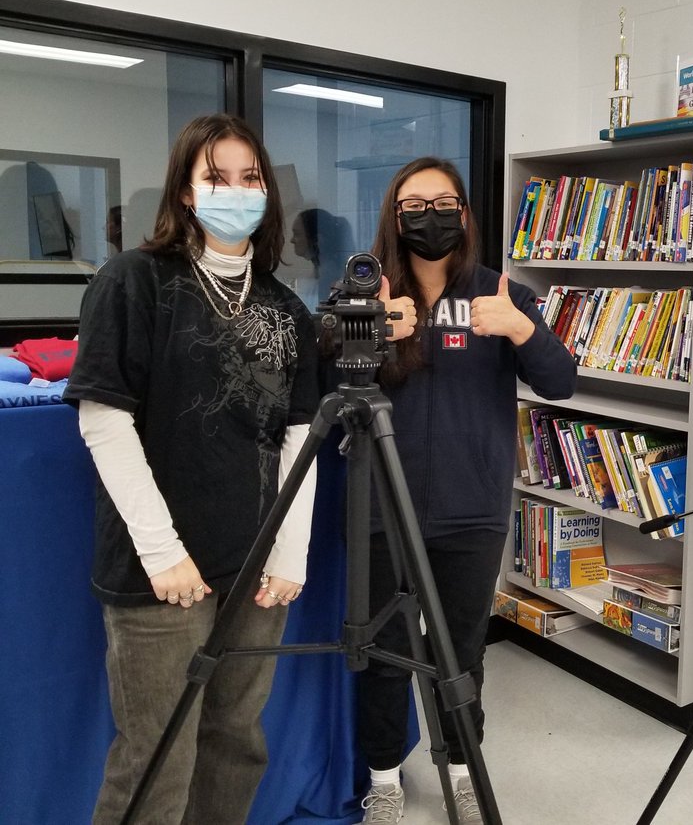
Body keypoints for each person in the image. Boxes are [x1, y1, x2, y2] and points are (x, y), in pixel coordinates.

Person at [64, 113, 319, 824]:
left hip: (254, 569)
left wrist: (288, 552)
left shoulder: (285, 309)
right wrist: (162, 552)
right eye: (216, 177)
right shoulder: (134, 281)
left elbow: (299, 437)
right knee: (155, 758)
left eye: (250, 178)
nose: (235, 191)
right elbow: (104, 420)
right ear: (185, 189)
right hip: (159, 572)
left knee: (236, 742)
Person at [352, 157, 576, 824]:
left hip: (471, 508)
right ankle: (384, 779)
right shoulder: (366, 291)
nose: (430, 216)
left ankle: (462, 768)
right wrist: (372, 332)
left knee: (461, 651)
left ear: (465, 213)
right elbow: (322, 389)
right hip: (380, 508)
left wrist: (521, 328)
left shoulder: (502, 293)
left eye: (443, 203)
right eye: (414, 206)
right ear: (394, 216)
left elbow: (561, 382)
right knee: (385, 654)